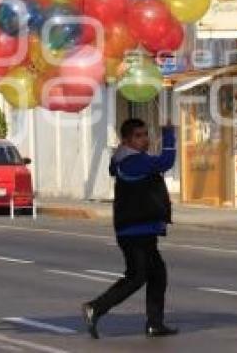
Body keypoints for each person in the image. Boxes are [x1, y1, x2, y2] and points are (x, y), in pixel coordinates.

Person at [81, 118, 178, 339]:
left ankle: (155, 323)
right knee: (137, 276)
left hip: (142, 228)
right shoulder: (131, 162)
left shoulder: (131, 159)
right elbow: (166, 161)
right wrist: (169, 134)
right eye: (138, 136)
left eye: (145, 134)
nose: (144, 139)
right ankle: (95, 308)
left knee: (157, 274)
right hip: (135, 231)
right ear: (126, 140)